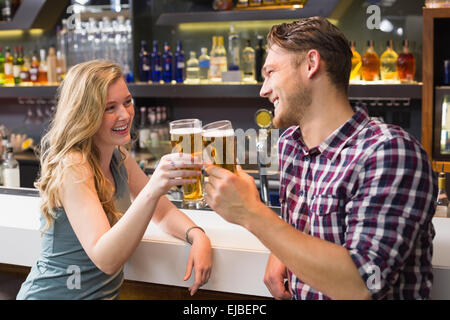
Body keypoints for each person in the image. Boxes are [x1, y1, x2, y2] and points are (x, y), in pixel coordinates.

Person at [204, 17, 436, 300]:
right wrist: (284, 254)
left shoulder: (389, 152)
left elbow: (363, 285)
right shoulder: (292, 145)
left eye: (271, 72)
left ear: (311, 64)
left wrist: (252, 213)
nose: (263, 90)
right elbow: (305, 237)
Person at [16, 60, 212, 300]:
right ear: (85, 114)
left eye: (127, 102)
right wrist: (153, 189)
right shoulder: (74, 166)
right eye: (110, 107)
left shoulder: (118, 155)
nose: (125, 114)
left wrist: (196, 235)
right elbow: (106, 259)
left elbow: (162, 212)